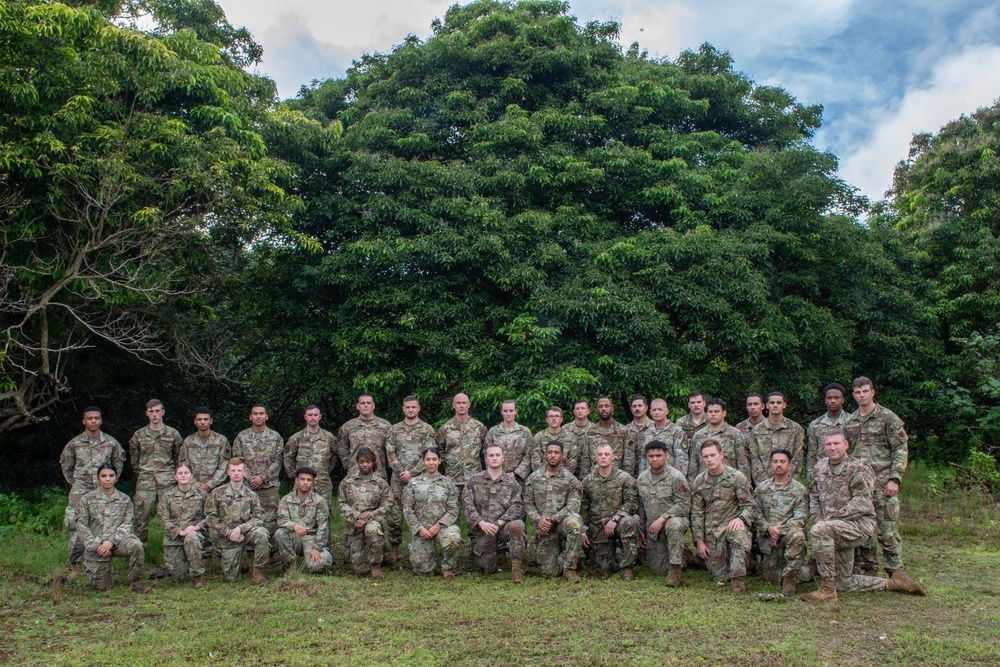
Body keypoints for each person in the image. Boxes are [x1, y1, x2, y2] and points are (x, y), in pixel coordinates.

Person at [801, 429, 926, 603]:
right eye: (828, 444)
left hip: (858, 525)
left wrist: (831, 519)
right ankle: (893, 584)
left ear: (846, 445)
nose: (832, 447)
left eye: (836, 443)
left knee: (820, 531)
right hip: (833, 526)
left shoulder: (858, 468)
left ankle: (827, 589)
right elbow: (814, 497)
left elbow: (862, 502)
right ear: (823, 447)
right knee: (844, 583)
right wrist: (820, 517)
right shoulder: (819, 468)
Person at [843, 376, 909, 577]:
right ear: (853, 395)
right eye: (858, 392)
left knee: (886, 529)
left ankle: (895, 570)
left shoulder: (888, 418)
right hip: (860, 486)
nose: (862, 395)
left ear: (872, 392)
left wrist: (895, 478)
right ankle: (867, 567)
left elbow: (900, 448)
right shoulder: (850, 422)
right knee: (864, 529)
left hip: (883, 483)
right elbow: (846, 454)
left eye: (865, 391)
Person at [60, 406, 125, 569]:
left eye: (96, 418)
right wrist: (77, 483)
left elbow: (118, 463)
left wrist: (110, 482)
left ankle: (100, 561)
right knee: (76, 525)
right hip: (80, 492)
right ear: (84, 421)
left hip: (104, 492)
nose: (93, 421)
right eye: (90, 418)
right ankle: (74, 564)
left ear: (101, 421)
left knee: (103, 524)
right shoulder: (75, 444)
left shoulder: (111, 443)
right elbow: (66, 466)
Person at [691, 439, 756, 593]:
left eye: (713, 455)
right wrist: (699, 541)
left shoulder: (737, 477)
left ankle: (738, 583)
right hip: (712, 532)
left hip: (732, 525)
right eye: (706, 456)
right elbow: (697, 513)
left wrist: (741, 519)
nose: (709, 460)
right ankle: (746, 563)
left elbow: (750, 506)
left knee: (739, 536)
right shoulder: (700, 481)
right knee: (719, 576)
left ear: (721, 455)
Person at [76, 464, 151, 593]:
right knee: (103, 588)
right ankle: (107, 573)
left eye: (111, 476)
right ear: (98, 478)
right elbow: (81, 525)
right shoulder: (87, 499)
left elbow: (127, 524)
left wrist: (110, 542)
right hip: (97, 544)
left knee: (137, 545)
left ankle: (136, 582)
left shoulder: (124, 499)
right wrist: (97, 545)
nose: (107, 479)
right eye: (103, 476)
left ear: (116, 478)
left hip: (118, 542)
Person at [464, 445, 526, 582]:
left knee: (517, 525)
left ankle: (516, 569)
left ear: (503, 458)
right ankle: (492, 555)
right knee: (487, 569)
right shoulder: (473, 481)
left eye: (497, 455)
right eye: (491, 455)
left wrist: (500, 523)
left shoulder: (512, 483)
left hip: (503, 527)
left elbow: (517, 507)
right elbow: (468, 506)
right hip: (484, 529)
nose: (494, 458)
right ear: (486, 459)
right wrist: (482, 524)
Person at [385, 395, 435, 566]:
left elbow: (430, 454)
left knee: (423, 512)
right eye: (408, 407)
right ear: (403, 409)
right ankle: (395, 549)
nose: (411, 410)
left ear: (418, 408)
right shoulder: (394, 430)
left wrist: (413, 472)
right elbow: (390, 453)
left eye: (414, 407)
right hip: (398, 480)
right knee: (395, 515)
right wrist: (402, 472)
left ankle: (426, 548)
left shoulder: (427, 430)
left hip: (421, 479)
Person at [524, 441, 584, 582]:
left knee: (574, 524)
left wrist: (552, 519)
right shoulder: (534, 478)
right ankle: (566, 553)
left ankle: (570, 568)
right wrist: (539, 520)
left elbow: (573, 504)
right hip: (544, 527)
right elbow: (528, 503)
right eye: (550, 452)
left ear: (562, 456)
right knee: (549, 572)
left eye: (556, 453)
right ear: (545, 454)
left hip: (562, 522)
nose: (552, 455)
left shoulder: (570, 480)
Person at [205, 457, 270, 585]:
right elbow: (211, 518)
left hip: (246, 533)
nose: (236, 473)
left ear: (244, 472)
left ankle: (258, 572)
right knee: (231, 579)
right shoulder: (217, 493)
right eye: (233, 470)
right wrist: (229, 532)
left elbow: (258, 517)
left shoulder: (251, 495)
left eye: (239, 470)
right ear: (228, 472)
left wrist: (241, 529)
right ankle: (238, 562)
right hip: (227, 537)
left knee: (262, 534)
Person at [636, 440, 692, 587]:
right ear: (646, 457)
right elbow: (641, 507)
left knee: (673, 525)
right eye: (651, 456)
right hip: (653, 529)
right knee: (658, 570)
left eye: (658, 455)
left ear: (666, 455)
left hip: (674, 523)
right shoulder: (642, 479)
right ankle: (686, 555)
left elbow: (685, 504)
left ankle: (675, 570)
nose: (654, 459)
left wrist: (663, 518)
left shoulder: (676, 477)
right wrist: (642, 530)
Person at [581, 443, 640, 580]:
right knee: (605, 569)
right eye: (600, 454)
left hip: (619, 523)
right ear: (595, 457)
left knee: (630, 523)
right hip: (598, 527)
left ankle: (627, 568)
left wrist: (616, 518)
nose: (603, 457)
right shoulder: (588, 481)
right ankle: (619, 557)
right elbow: (584, 508)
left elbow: (632, 502)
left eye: (606, 454)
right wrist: (584, 530)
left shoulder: (624, 478)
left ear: (613, 457)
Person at [754, 449, 808, 596]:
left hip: (787, 539)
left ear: (790, 465)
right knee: (771, 578)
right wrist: (768, 528)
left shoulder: (799, 490)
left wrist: (779, 531)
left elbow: (801, 516)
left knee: (797, 534)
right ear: (770, 464)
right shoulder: (762, 488)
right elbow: (755, 512)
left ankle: (789, 584)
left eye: (783, 462)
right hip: (767, 541)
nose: (779, 465)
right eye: (775, 461)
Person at [129, 399, 183, 543]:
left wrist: (175, 477)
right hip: (145, 482)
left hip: (168, 481)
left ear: (163, 412)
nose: (154, 414)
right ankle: (139, 550)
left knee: (172, 515)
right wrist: (142, 475)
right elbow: (134, 459)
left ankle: (173, 549)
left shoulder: (173, 434)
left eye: (157, 411)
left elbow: (179, 459)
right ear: (147, 413)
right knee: (141, 517)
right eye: (151, 411)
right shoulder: (139, 435)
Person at [403, 448, 463, 579]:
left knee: (453, 539)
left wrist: (439, 525)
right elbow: (407, 509)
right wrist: (419, 529)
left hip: (442, 528)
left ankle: (447, 567)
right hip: (422, 530)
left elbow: (453, 510)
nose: (431, 462)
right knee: (425, 571)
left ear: (440, 461)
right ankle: (426, 561)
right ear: (423, 462)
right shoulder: (413, 483)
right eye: (428, 459)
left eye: (434, 459)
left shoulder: (448, 483)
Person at [338, 449, 393, 579]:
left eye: (368, 461)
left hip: (373, 521)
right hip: (354, 524)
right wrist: (357, 515)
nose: (365, 464)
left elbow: (388, 505)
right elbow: (341, 503)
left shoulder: (381, 483)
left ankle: (376, 565)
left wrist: (370, 515)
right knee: (361, 570)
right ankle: (364, 553)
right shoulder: (348, 482)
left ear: (373, 462)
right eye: (361, 462)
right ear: (357, 462)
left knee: (372, 530)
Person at [231, 404, 284, 536]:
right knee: (245, 514)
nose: (258, 416)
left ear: (266, 416)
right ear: (250, 417)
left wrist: (263, 478)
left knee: (271, 518)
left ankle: (270, 547)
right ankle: (248, 545)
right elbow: (238, 461)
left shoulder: (275, 437)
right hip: (247, 485)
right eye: (255, 414)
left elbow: (278, 460)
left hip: (269, 485)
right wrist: (250, 478)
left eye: (261, 414)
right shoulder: (242, 437)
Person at [157, 462, 208, 587]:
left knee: (191, 538)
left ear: (191, 476)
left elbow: (210, 517)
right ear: (175, 477)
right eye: (180, 473)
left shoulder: (202, 495)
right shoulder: (167, 497)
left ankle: (197, 577)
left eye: (186, 473)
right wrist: (180, 532)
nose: (183, 475)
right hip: (174, 538)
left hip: (194, 536)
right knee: (179, 578)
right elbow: (163, 520)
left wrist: (197, 527)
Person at [275, 466, 333, 574]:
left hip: (312, 538)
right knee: (280, 534)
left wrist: (316, 548)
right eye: (302, 479)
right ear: (296, 481)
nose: (305, 482)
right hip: (295, 537)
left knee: (321, 565)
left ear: (313, 482)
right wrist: (294, 526)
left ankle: (310, 561)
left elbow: (323, 527)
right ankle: (290, 565)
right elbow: (281, 520)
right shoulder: (286, 499)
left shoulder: (319, 501)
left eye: (309, 480)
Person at [435, 392, 488, 511]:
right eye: (458, 403)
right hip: (453, 479)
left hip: (474, 478)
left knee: (476, 515)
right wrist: (449, 465)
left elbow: (486, 451)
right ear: (453, 405)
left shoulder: (479, 428)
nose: (461, 406)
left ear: (469, 405)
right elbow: (438, 451)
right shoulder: (445, 429)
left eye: (464, 403)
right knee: (452, 514)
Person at [742, 392, 805, 488]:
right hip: (763, 486)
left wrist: (787, 480)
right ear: (767, 405)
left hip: (790, 486)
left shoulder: (796, 429)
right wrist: (764, 484)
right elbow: (755, 459)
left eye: (779, 403)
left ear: (784, 405)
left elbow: (797, 458)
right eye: (772, 403)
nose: (775, 405)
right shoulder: (756, 431)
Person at [283, 405, 339, 504]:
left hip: (323, 484)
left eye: (315, 415)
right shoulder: (296, 438)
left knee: (324, 514)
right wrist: (296, 476)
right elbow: (288, 458)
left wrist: (325, 471)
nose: (313, 418)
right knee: (300, 513)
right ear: (305, 417)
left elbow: (335, 455)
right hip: (302, 485)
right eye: (310, 415)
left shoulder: (329, 437)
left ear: (320, 417)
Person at [689, 399, 745, 483]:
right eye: (710, 411)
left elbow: (743, 463)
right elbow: (694, 464)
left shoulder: (735, 434)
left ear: (724, 413)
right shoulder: (698, 436)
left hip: (729, 483)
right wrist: (692, 484)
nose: (713, 414)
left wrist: (743, 483)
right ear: (706, 414)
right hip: (704, 484)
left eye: (716, 411)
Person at [338, 394, 392, 478]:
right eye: (363, 403)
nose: (366, 405)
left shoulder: (385, 426)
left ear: (373, 406)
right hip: (355, 473)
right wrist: (349, 464)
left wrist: (387, 465)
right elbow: (342, 448)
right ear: (358, 406)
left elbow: (391, 448)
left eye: (368, 403)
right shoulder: (348, 427)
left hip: (378, 473)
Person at [179, 407, 231, 493]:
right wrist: (195, 485)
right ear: (195, 422)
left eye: (206, 419)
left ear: (211, 421)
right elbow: (183, 465)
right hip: (192, 488)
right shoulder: (188, 442)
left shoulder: (221, 440)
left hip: (216, 489)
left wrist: (210, 484)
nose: (203, 422)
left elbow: (224, 465)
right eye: (199, 419)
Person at [806, 383, 849, 480]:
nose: (833, 401)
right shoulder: (815, 425)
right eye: (829, 398)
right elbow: (812, 453)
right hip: (822, 474)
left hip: (847, 473)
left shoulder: (852, 422)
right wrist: (810, 477)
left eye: (836, 398)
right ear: (825, 401)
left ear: (842, 400)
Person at [484, 400, 533, 481]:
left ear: (516, 411)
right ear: (501, 412)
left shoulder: (525, 432)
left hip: (518, 479)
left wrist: (517, 474)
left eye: (511, 411)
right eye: (505, 411)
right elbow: (487, 454)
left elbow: (529, 455)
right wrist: (494, 473)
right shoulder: (493, 432)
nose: (508, 414)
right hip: (496, 478)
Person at [580, 396, 628, 479]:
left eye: (606, 406)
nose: (603, 409)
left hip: (618, 479)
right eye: (600, 406)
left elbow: (628, 458)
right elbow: (585, 460)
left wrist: (626, 479)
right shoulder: (589, 432)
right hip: (595, 479)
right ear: (596, 410)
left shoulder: (623, 431)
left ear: (612, 408)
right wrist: (585, 480)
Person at [640, 398, 688, 479]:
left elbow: (681, 458)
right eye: (654, 410)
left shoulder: (677, 431)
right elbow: (643, 458)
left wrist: (678, 479)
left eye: (660, 409)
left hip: (669, 478)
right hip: (650, 478)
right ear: (650, 412)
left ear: (666, 411)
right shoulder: (647, 432)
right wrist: (641, 477)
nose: (657, 412)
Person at [527, 406, 578, 480]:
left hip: (564, 479)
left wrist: (560, 477)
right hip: (542, 479)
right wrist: (546, 476)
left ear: (561, 419)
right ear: (547, 419)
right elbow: (536, 462)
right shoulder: (539, 437)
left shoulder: (570, 437)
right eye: (551, 416)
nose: (554, 419)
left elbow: (572, 463)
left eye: (557, 416)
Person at [622, 395, 652, 478]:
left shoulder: (654, 427)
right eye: (634, 406)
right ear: (631, 409)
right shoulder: (625, 430)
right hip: (630, 475)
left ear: (646, 408)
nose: (637, 408)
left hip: (650, 474)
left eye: (640, 406)